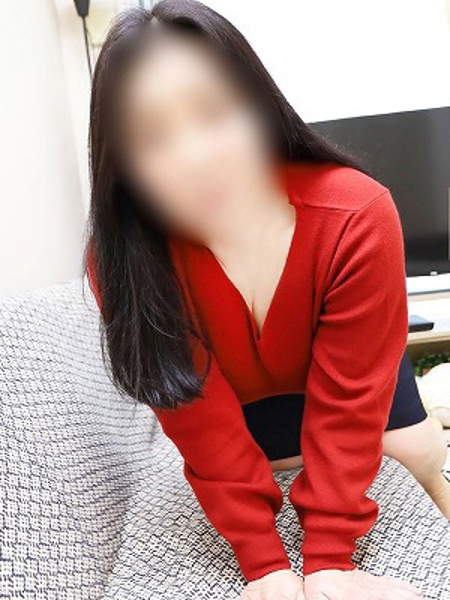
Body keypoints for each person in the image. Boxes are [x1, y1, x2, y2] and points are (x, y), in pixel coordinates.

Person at [83, 2, 449, 598]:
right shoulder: (123, 263)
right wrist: (266, 567)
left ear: (258, 106)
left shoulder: (356, 215)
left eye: (214, 112)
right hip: (239, 397)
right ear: (123, 165)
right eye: (151, 138)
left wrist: (328, 560)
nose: (194, 157)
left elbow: (349, 405)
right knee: (271, 465)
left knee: (417, 452)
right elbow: (202, 425)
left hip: (345, 373)